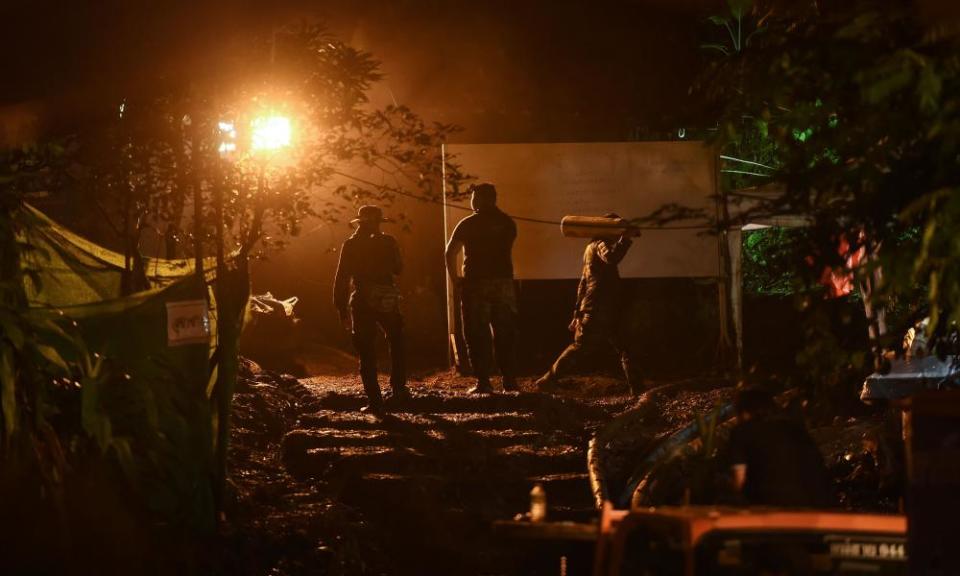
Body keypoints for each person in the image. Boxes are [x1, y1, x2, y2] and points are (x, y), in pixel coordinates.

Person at [534, 214, 640, 395]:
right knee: (583, 347)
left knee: (623, 347)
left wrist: (577, 312)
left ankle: (637, 389)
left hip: (600, 306)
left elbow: (583, 283)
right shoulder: (600, 244)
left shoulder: (591, 247)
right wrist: (626, 239)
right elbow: (612, 258)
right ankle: (547, 380)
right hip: (600, 307)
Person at [333, 205, 410, 413]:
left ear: (359, 223)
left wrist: (340, 306)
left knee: (366, 349)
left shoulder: (350, 244)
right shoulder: (389, 242)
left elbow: (342, 277)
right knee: (396, 339)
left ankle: (375, 401)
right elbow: (398, 269)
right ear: (378, 222)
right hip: (387, 296)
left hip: (362, 298)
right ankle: (399, 389)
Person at [445, 182, 519, 394]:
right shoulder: (507, 223)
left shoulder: (468, 224)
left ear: (482, 199)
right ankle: (509, 380)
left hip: (476, 284)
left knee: (477, 333)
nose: (472, 201)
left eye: (475, 197)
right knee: (505, 332)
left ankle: (483, 381)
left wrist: (455, 280)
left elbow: (450, 253)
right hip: (504, 284)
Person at [725, 388, 833, 508]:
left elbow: (739, 480)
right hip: (816, 507)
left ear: (744, 411)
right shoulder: (795, 429)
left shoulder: (742, 431)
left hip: (770, 509)